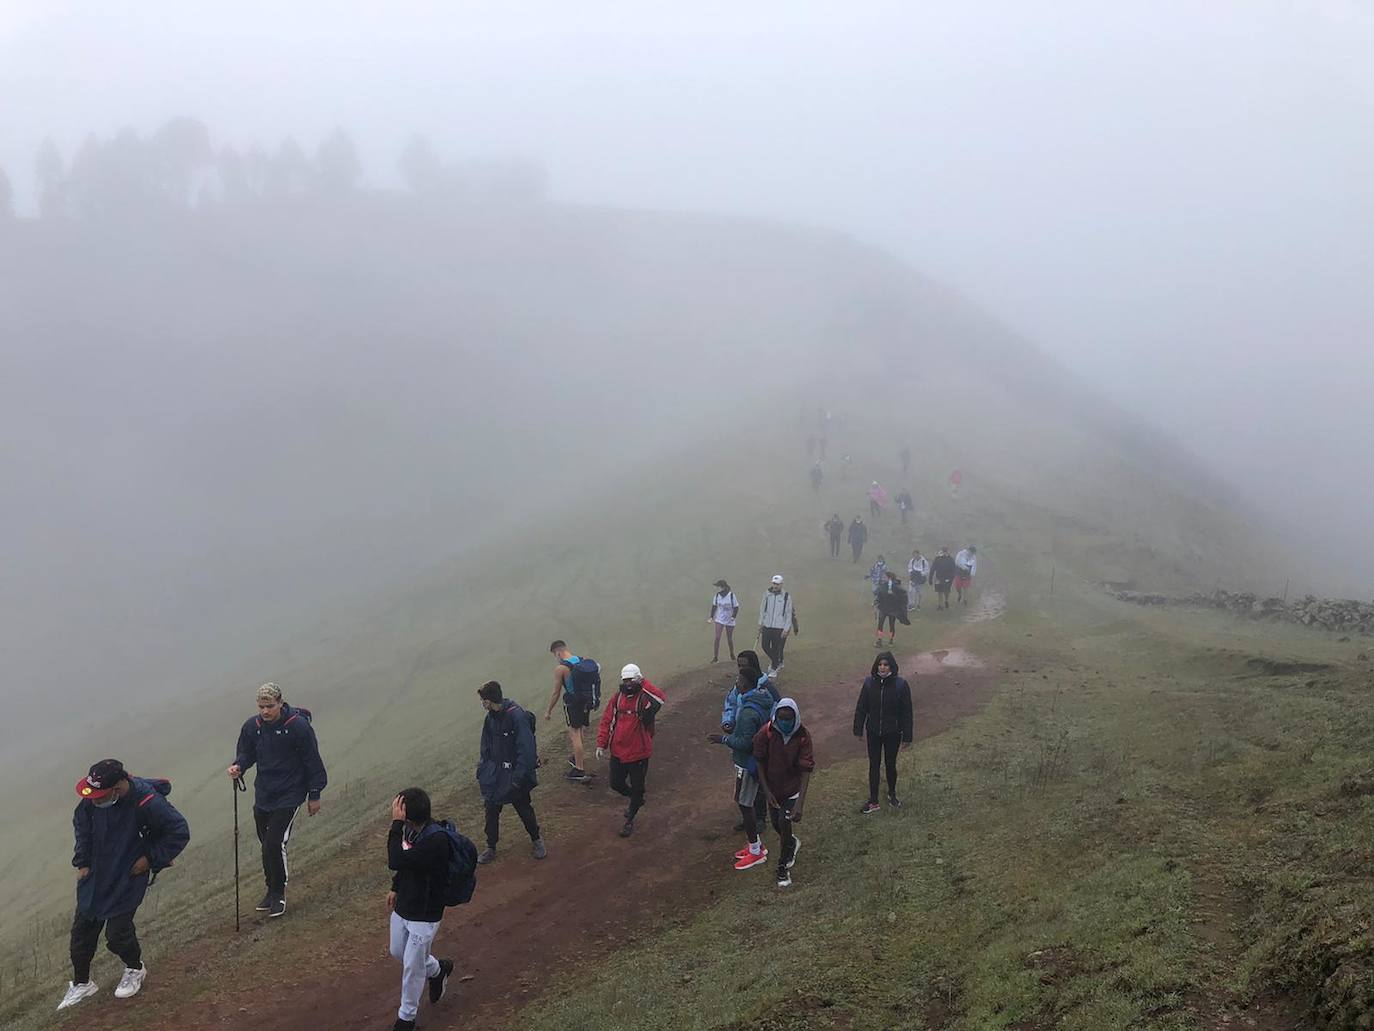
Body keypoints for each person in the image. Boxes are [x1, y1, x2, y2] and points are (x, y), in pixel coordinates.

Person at [59, 759, 190, 1011]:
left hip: (127, 873)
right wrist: (82, 862)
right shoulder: (91, 800)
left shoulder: (147, 802)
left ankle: (135, 968)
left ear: (117, 788)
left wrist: (150, 859)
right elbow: (82, 825)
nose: (94, 801)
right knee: (81, 935)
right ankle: (82, 984)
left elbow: (178, 831)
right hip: (95, 875)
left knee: (117, 934)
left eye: (100, 796)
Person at [227, 682, 327, 918]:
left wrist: (314, 794)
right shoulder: (252, 727)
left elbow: (312, 760)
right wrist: (239, 766)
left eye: (269, 706)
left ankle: (279, 894)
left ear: (281, 703)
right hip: (264, 793)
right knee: (266, 844)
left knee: (274, 843)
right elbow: (247, 752)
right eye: (261, 706)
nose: (265, 711)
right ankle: (270, 891)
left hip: (290, 793)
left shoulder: (298, 727)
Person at [386, 787, 456, 1031]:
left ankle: (407, 1019)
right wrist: (395, 887)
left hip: (425, 914)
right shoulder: (411, 831)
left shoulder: (435, 840)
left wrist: (395, 824)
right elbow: (405, 864)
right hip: (405, 903)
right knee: (398, 952)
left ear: (407, 815)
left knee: (412, 967)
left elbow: (395, 859)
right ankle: (438, 970)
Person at [705, 671, 776, 870]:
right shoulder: (762, 700)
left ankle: (756, 851)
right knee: (745, 802)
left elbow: (745, 743)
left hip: (746, 762)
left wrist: (723, 740)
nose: (736, 683)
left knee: (745, 804)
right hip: (756, 759)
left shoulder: (747, 712)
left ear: (746, 685)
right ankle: (756, 845)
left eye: (739, 681)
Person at [475, 682, 546, 864]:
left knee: (523, 807)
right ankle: (491, 847)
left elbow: (526, 749)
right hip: (496, 774)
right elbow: (486, 746)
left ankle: (537, 840)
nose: (482, 704)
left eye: (483, 700)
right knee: (491, 810)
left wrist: (518, 777)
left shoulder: (516, 716)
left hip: (515, 773)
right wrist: (484, 769)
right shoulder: (490, 719)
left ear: (490, 701)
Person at [595, 664, 666, 837]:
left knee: (638, 786)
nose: (628, 684)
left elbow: (661, 698)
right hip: (618, 751)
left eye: (631, 680)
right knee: (616, 783)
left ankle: (630, 819)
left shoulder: (645, 698)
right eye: (625, 680)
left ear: (638, 679)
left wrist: (643, 682)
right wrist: (601, 744)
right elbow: (607, 720)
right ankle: (637, 799)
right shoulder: (617, 698)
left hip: (639, 752)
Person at [753, 697, 814, 888]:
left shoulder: (803, 736)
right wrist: (766, 791)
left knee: (783, 822)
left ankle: (782, 867)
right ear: (776, 717)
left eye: (789, 718)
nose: (785, 722)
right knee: (777, 826)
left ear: (795, 717)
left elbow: (806, 770)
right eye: (781, 718)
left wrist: (799, 804)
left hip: (792, 789)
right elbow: (759, 760)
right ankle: (791, 843)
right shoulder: (767, 732)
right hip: (773, 788)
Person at [853, 652, 914, 814]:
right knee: (874, 764)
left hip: (892, 732)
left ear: (891, 666)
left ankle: (892, 794)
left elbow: (907, 712)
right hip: (873, 731)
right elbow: (861, 707)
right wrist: (858, 728)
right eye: (880, 664)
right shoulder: (868, 683)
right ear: (876, 665)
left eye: (886, 664)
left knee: (890, 764)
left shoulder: (900, 685)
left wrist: (907, 736)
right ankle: (873, 801)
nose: (883, 667)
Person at [544, 642, 601, 783]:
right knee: (580, 729)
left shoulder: (561, 668)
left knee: (574, 734)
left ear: (557, 652)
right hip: (586, 702)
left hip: (573, 704)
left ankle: (579, 770)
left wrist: (548, 711)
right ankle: (577, 758)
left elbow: (556, 692)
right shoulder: (582, 661)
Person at [757, 574, 794, 676]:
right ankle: (776, 661)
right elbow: (762, 609)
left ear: (781, 584)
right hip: (767, 625)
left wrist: (786, 629)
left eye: (777, 584)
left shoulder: (786, 596)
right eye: (774, 583)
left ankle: (774, 668)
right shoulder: (767, 594)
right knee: (764, 645)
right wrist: (760, 623)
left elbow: (788, 613)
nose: (775, 586)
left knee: (775, 648)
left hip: (779, 626)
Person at [708, 579, 740, 663]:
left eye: (718, 587)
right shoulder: (717, 596)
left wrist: (733, 616)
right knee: (717, 637)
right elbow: (714, 607)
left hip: (730, 620)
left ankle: (732, 654)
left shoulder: (732, 596)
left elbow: (736, 607)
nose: (716, 588)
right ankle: (715, 657)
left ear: (723, 587)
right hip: (719, 619)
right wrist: (711, 617)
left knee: (729, 638)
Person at [874, 571, 909, 648]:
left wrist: (893, 596)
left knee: (891, 624)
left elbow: (903, 595)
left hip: (892, 609)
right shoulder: (883, 585)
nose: (883, 578)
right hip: (883, 608)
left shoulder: (896, 586)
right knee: (880, 624)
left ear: (889, 578)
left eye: (884, 577)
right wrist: (877, 601)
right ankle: (879, 640)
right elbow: (878, 594)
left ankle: (891, 640)